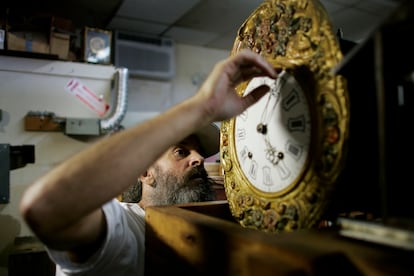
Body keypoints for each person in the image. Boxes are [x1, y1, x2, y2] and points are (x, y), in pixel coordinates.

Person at [19, 49, 277, 276]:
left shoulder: (204, 227)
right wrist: (201, 108)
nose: (198, 159)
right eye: (180, 152)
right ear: (144, 172)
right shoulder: (124, 231)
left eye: (198, 152)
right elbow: (46, 207)